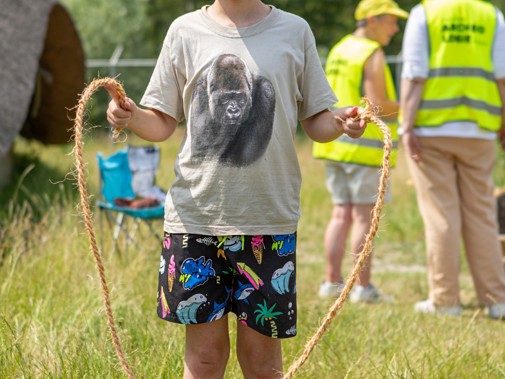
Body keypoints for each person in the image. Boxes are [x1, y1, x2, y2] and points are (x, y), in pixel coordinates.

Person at [105, 1, 368, 378]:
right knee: (204, 360)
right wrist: (131, 116)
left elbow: (316, 121)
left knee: (263, 364)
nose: (231, 109)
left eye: (237, 101)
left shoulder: (294, 31)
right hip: (197, 218)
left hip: (266, 219)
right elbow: (162, 122)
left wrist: (340, 122)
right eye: (225, 101)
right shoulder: (184, 31)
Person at [400, 0, 505, 319]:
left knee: (440, 214)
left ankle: (446, 301)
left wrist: (407, 125)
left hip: (431, 130)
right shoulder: (491, 15)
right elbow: (502, 76)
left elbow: (415, 74)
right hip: (480, 129)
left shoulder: (425, 13)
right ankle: (496, 300)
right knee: (482, 213)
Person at [313, 0, 408, 302]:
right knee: (365, 218)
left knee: (341, 214)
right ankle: (363, 288)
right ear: (372, 19)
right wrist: (407, 105)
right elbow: (376, 103)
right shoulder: (371, 53)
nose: (395, 28)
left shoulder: (341, 48)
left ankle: (331, 282)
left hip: (335, 144)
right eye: (391, 21)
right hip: (363, 148)